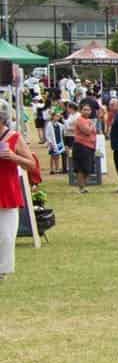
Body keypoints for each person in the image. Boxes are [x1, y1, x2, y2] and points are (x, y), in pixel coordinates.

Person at [0, 104, 41, 281]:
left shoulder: (14, 137)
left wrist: (13, 157)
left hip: (7, 189)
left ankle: (3, 270)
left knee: (6, 235)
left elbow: (31, 164)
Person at [69, 101, 98, 194]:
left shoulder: (89, 121)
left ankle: (84, 186)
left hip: (90, 146)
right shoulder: (80, 120)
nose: (87, 111)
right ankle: (81, 187)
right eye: (85, 110)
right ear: (81, 111)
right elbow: (87, 131)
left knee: (88, 168)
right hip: (81, 146)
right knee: (81, 168)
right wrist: (92, 125)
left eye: (88, 110)